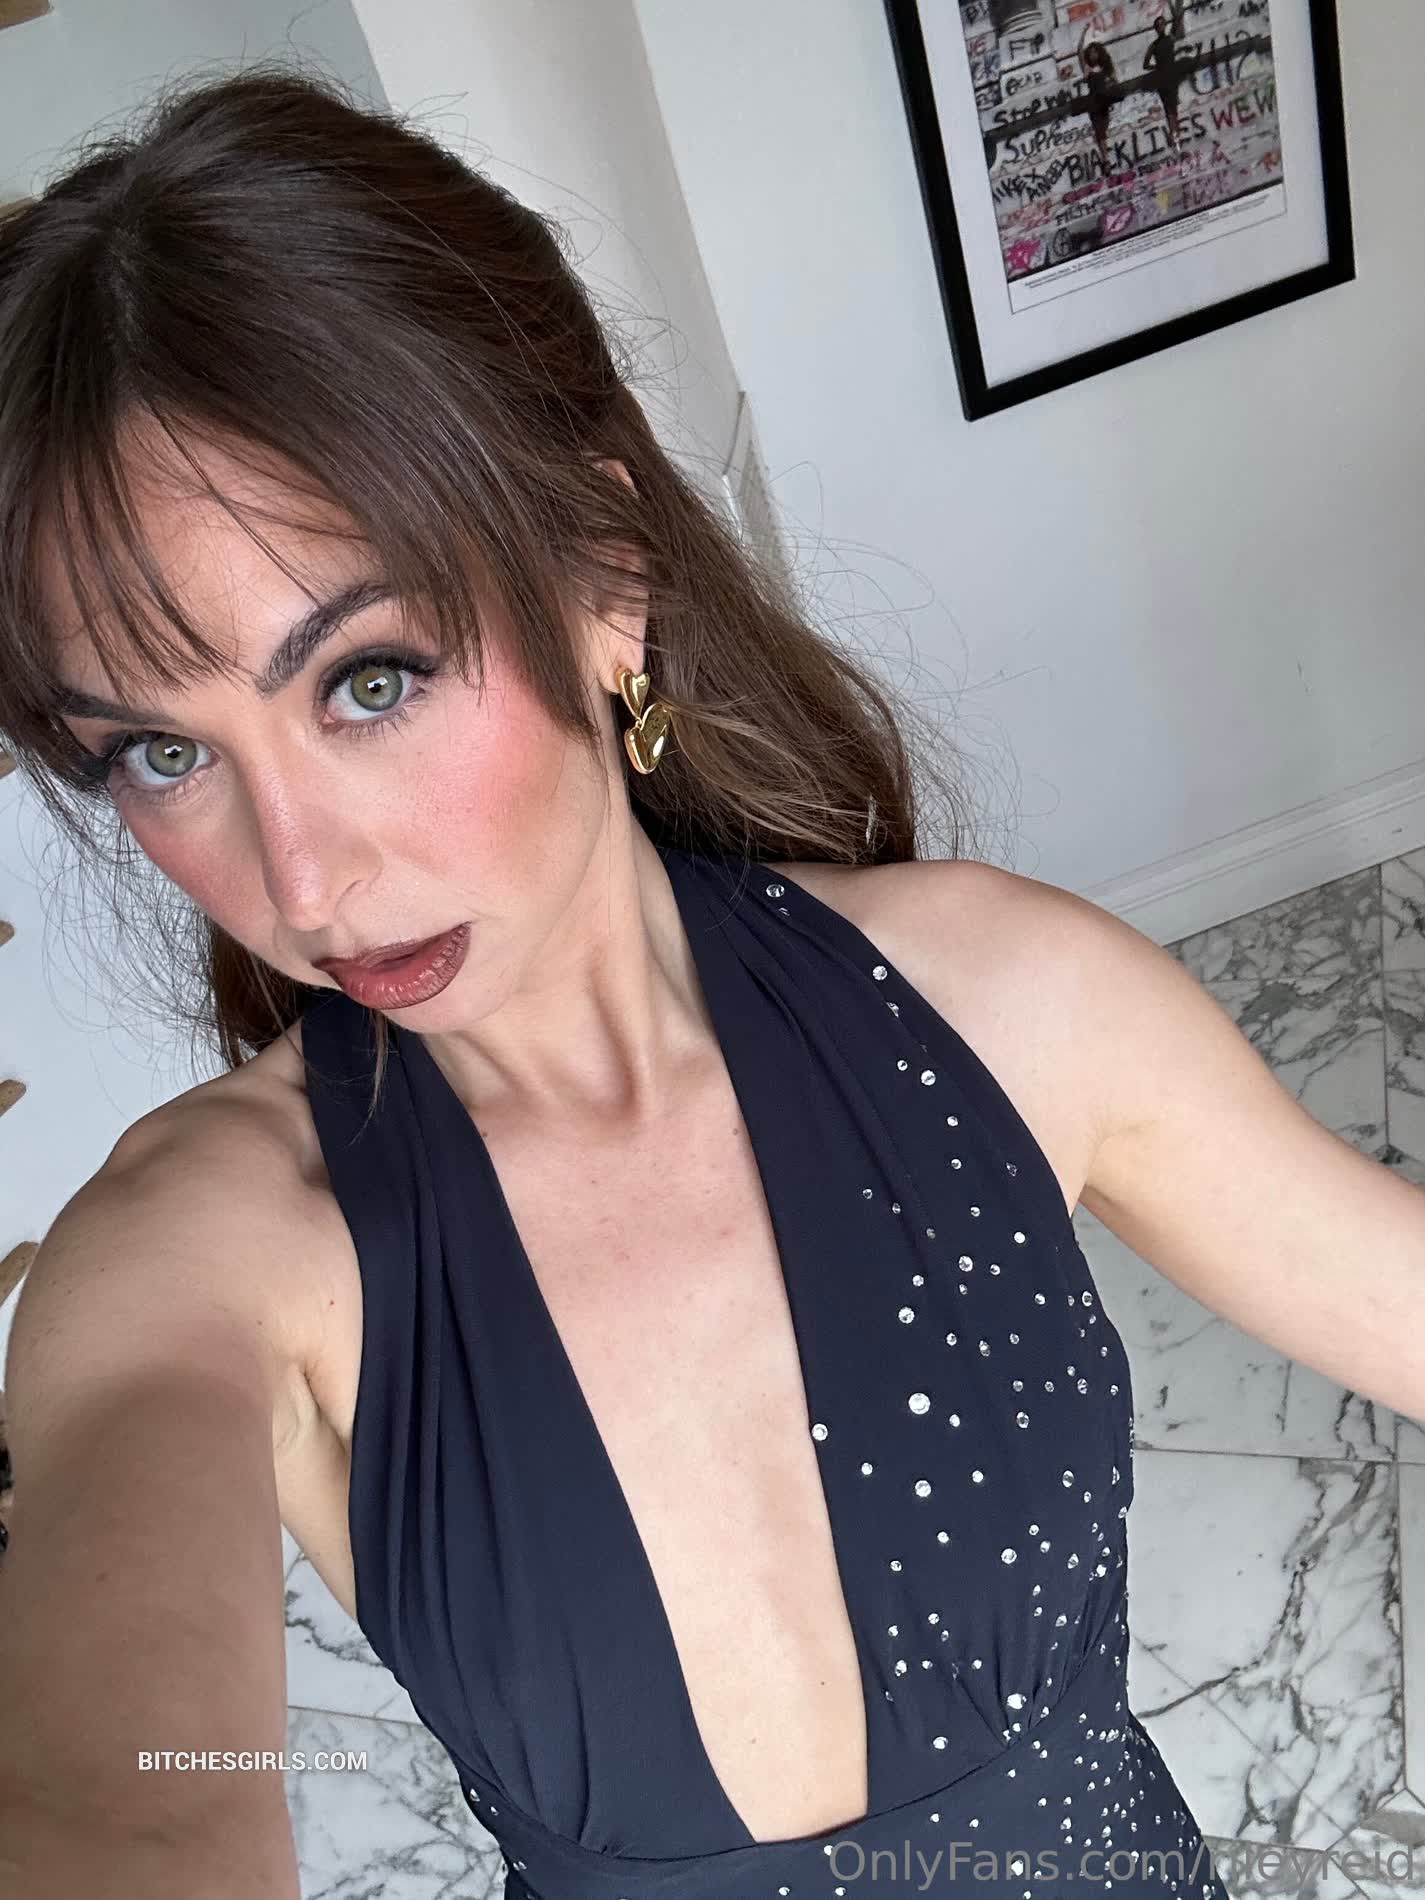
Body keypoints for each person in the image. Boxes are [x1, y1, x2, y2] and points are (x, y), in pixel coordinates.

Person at [0, 65, 1417, 1900]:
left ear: (605, 577)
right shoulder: (201, 1252)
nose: (302, 881)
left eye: (368, 681)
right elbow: (123, 1809)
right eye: (161, 753)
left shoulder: (1014, 1004)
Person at [1142, 6, 1188, 148]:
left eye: (1162, 24)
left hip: (1169, 76)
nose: (1161, 27)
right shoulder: (1158, 44)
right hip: (1165, 77)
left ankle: (1175, 135)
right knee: (1169, 108)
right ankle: (1174, 134)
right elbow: (1145, 65)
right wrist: (1157, 67)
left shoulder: (1165, 40)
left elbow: (1178, 24)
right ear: (1156, 28)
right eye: (1159, 25)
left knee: (1172, 108)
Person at [1078, 34, 1118, 166]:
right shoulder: (1087, 69)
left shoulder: (1105, 68)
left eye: (1095, 52)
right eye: (1090, 53)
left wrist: (1112, 85)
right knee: (1099, 132)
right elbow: (1079, 52)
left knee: (1103, 131)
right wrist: (1083, 33)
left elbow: (1114, 80)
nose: (1092, 55)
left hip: (1104, 102)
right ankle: (1105, 160)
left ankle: (1105, 156)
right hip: (1094, 102)